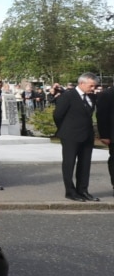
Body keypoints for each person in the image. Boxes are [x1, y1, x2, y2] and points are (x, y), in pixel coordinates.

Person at [55, 72, 100, 201]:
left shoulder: (91, 97)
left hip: (87, 135)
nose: (93, 89)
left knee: (85, 164)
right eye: (91, 86)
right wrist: (65, 130)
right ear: (82, 83)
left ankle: (83, 190)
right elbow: (58, 115)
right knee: (69, 164)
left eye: (94, 86)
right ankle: (70, 191)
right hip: (70, 135)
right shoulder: (68, 96)